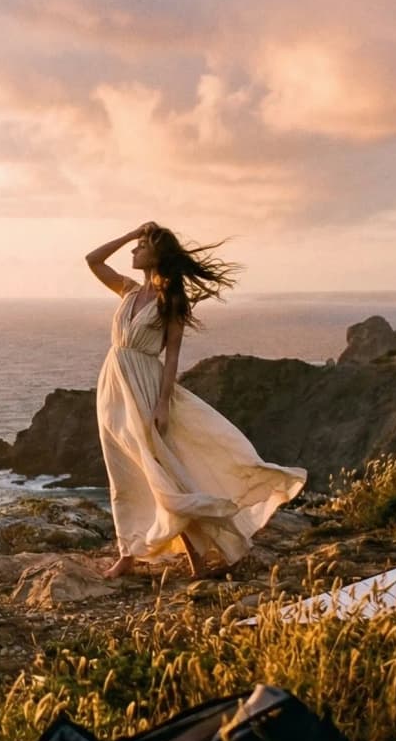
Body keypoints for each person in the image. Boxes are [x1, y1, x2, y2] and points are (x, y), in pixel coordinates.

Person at [84, 222, 306, 579]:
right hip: (113, 386)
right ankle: (129, 552)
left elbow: (172, 356)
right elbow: (93, 260)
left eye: (141, 246)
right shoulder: (127, 290)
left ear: (157, 255)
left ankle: (194, 560)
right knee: (122, 471)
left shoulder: (170, 300)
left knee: (163, 473)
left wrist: (162, 404)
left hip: (144, 386)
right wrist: (130, 234)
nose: (134, 251)